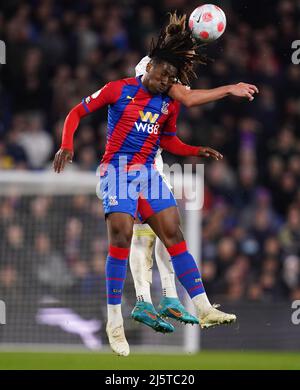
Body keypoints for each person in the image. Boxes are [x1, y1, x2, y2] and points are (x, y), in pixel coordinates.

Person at [53, 26, 237, 357]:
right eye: (163, 74)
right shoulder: (117, 90)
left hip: (148, 175)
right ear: (148, 67)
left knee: (173, 234)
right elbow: (76, 112)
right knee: (121, 237)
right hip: (117, 172)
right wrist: (67, 143)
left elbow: (167, 140)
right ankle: (114, 322)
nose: (166, 82)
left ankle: (203, 307)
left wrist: (195, 150)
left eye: (171, 79)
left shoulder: (168, 104)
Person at [129, 12, 259, 333]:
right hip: (128, 166)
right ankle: (148, 300)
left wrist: (193, 149)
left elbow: (171, 133)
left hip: (151, 161)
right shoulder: (150, 69)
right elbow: (187, 97)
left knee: (165, 233)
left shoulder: (168, 82)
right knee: (151, 234)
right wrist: (230, 88)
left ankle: (172, 299)